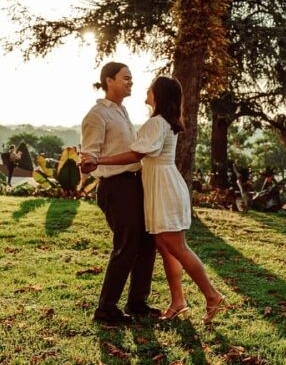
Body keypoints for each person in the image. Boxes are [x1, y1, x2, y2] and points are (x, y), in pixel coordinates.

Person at [83, 76, 226, 324]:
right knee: (164, 244)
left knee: (176, 246)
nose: (144, 91)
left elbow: (136, 154)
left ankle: (212, 295)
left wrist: (99, 161)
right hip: (162, 185)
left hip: (163, 188)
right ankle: (178, 301)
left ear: (158, 95)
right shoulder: (164, 122)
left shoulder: (156, 123)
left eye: (149, 88)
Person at [80, 62, 158, 324]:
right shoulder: (97, 115)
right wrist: (89, 161)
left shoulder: (122, 111)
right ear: (109, 80)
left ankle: (137, 302)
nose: (130, 82)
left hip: (135, 183)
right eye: (125, 78)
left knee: (147, 242)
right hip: (115, 187)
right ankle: (106, 308)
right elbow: (90, 151)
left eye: (131, 79)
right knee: (126, 244)